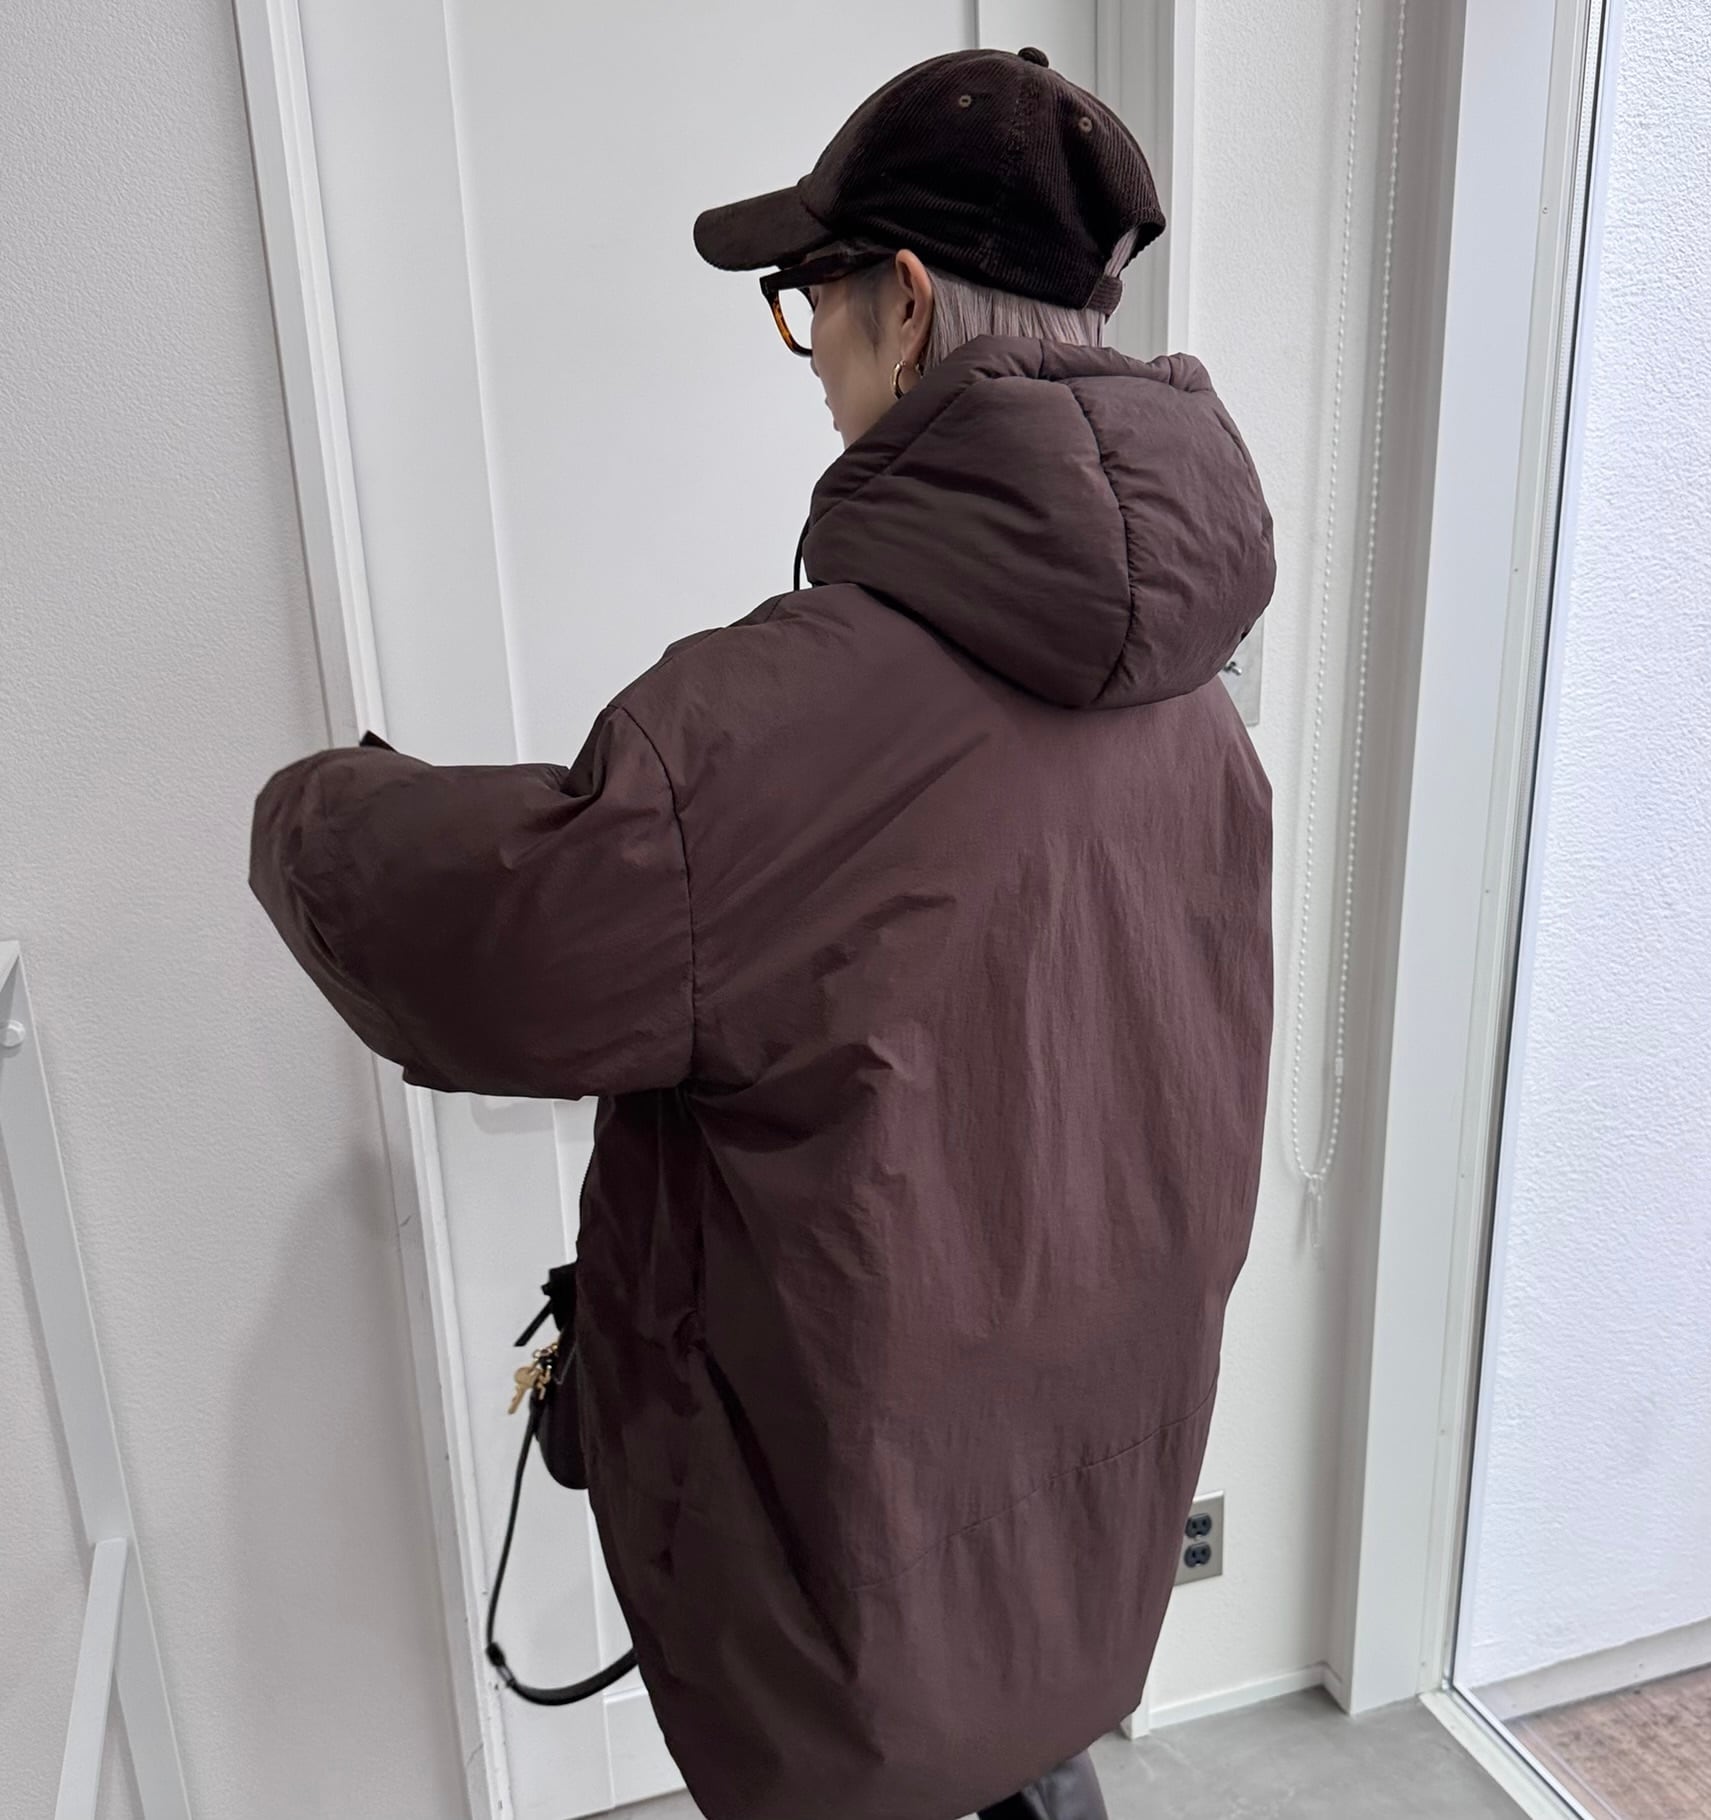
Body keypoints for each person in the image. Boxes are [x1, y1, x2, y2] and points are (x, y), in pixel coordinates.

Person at [249, 43, 1275, 1820]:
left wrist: (310, 804)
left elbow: (486, 942)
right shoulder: (1197, 702)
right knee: (1028, 1750)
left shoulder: (761, 736)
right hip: (1085, 1469)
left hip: (846, 1538)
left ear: (901, 300)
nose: (810, 355)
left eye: (809, 303)